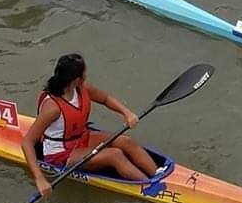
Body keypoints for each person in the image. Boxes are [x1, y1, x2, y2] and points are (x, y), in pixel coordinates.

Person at [20, 53, 161, 191]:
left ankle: (158, 174)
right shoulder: (52, 108)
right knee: (115, 155)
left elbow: (105, 99)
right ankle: (150, 188)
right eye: (84, 73)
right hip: (61, 154)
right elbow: (27, 142)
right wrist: (40, 178)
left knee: (126, 141)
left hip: (81, 138)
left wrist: (127, 113)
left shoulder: (82, 88)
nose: (86, 75)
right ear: (76, 79)